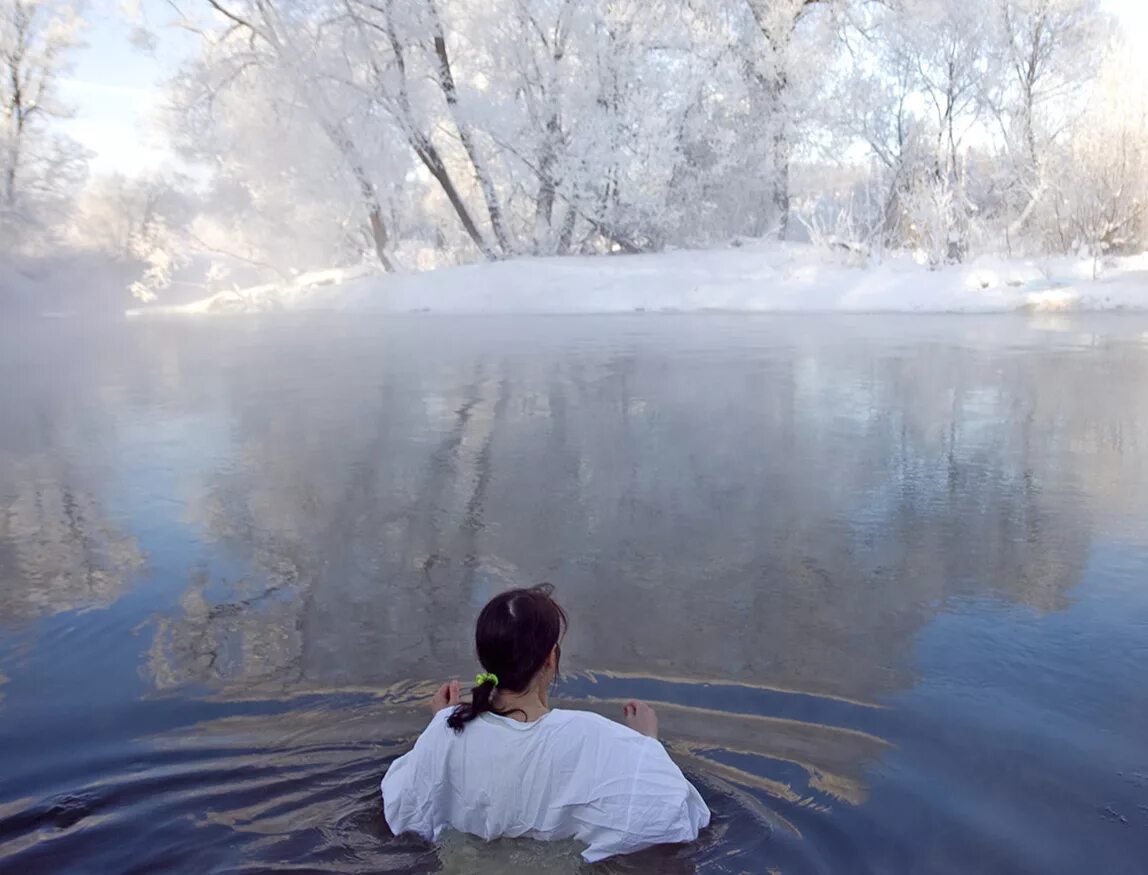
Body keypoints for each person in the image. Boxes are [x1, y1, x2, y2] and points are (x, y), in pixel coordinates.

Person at [380, 584, 711, 863]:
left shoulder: (446, 730)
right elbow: (675, 816)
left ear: (486, 657)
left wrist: (439, 723)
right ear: (551, 658)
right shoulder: (591, 737)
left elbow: (405, 811)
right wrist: (646, 745)